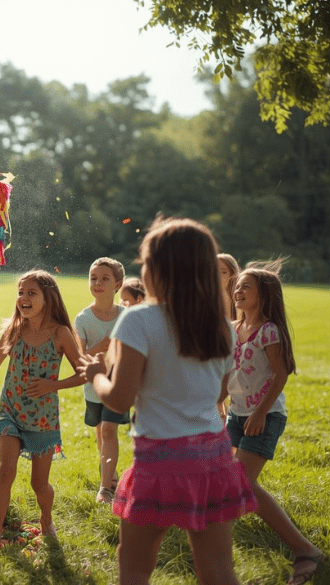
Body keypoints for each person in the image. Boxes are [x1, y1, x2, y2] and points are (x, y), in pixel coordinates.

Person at [79, 217, 258, 585]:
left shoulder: (139, 320)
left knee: (134, 567)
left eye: (146, 262)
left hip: (159, 462)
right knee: (219, 571)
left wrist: (96, 374)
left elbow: (120, 399)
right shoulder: (223, 326)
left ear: (160, 269)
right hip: (212, 458)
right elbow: (221, 393)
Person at [0, 270, 84, 561]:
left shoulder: (60, 334)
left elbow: (83, 373)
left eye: (31, 293)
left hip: (43, 419)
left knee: (39, 484)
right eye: (20, 293)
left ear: (48, 298)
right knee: (5, 471)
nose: (23, 298)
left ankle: (46, 519)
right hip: (11, 410)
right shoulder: (15, 329)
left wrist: (53, 385)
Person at [224, 261, 325, 585]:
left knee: (243, 483)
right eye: (237, 286)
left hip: (264, 416)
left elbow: (281, 374)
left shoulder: (268, 330)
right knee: (227, 479)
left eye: (246, 287)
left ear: (264, 295)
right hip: (235, 414)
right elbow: (228, 372)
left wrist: (259, 414)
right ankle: (218, 538)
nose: (238, 291)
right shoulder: (233, 328)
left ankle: (305, 550)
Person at [73, 257, 129, 504]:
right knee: (100, 432)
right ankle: (111, 472)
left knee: (108, 430)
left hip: (119, 386)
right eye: (93, 278)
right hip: (93, 387)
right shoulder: (83, 319)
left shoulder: (128, 316)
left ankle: (105, 489)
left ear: (117, 285)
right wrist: (103, 346)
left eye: (104, 278)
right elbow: (79, 359)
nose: (97, 283)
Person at [218, 253, 240, 321]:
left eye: (223, 272)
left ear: (233, 274)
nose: (218, 275)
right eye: (214, 271)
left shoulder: (241, 299)